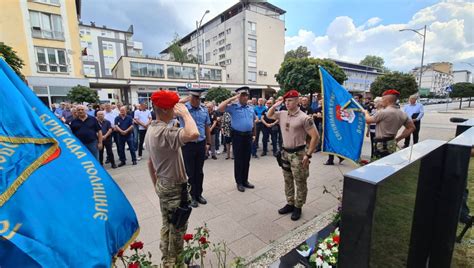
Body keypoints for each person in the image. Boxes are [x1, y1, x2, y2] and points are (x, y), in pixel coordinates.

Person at [145, 90, 200, 267]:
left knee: (167, 225)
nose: (177, 108)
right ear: (167, 109)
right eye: (174, 106)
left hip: (163, 183)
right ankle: (174, 263)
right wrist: (185, 112)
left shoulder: (152, 128)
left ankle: (171, 257)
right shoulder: (164, 133)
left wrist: (156, 185)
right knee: (177, 229)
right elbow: (193, 134)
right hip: (174, 188)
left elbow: (149, 163)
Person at [267, 90, 319, 221]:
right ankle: (290, 203)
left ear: (297, 101)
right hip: (285, 153)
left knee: (300, 181)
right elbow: (269, 115)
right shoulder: (283, 113)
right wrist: (275, 104)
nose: (287, 103)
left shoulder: (304, 118)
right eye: (285, 101)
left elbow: (315, 137)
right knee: (287, 179)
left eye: (290, 100)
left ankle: (298, 206)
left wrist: (308, 154)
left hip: (299, 154)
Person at [218, 87, 256, 192]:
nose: (245, 97)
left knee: (247, 160)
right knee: (239, 160)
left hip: (248, 136)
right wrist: (233, 98)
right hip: (238, 136)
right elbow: (220, 108)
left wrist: (254, 134)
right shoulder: (233, 107)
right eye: (242, 95)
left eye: (246, 95)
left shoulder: (250, 108)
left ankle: (245, 180)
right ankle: (239, 182)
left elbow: (253, 121)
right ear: (238, 96)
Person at [179, 89, 211, 207]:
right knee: (190, 172)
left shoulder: (204, 110)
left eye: (199, 98)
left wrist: (208, 143)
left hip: (201, 144)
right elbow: (172, 108)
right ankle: (191, 196)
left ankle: (198, 194)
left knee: (199, 171)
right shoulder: (183, 109)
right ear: (190, 97)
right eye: (195, 98)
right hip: (188, 145)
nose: (198, 100)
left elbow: (207, 126)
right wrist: (184, 99)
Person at [364, 89, 416, 160]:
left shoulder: (383, 112)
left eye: (382, 99)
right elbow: (411, 127)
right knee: (389, 164)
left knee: (378, 165)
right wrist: (398, 139)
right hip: (392, 142)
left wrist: (366, 113)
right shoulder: (402, 113)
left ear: (387, 100)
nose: (382, 102)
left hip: (381, 144)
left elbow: (368, 120)